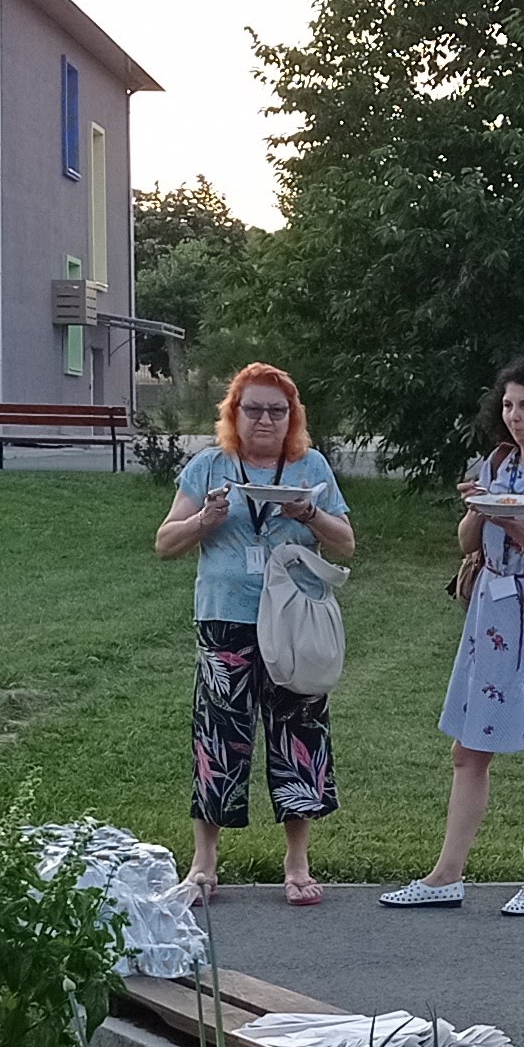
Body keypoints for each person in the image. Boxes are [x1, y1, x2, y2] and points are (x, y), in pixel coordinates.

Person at [384, 352, 524, 916]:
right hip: (492, 615)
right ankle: (446, 876)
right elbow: (468, 543)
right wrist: (478, 507)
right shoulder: (499, 463)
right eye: (508, 404)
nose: (514, 415)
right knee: (467, 750)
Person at [156, 362, 354, 907]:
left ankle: (297, 863)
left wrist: (309, 513)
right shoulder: (208, 466)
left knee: (299, 733)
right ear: (234, 414)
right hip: (227, 618)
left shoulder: (310, 466)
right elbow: (165, 543)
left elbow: (345, 543)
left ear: (292, 417)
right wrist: (204, 522)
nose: (265, 420)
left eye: (277, 410)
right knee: (218, 736)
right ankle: (204, 862)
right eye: (254, 409)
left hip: (293, 621)